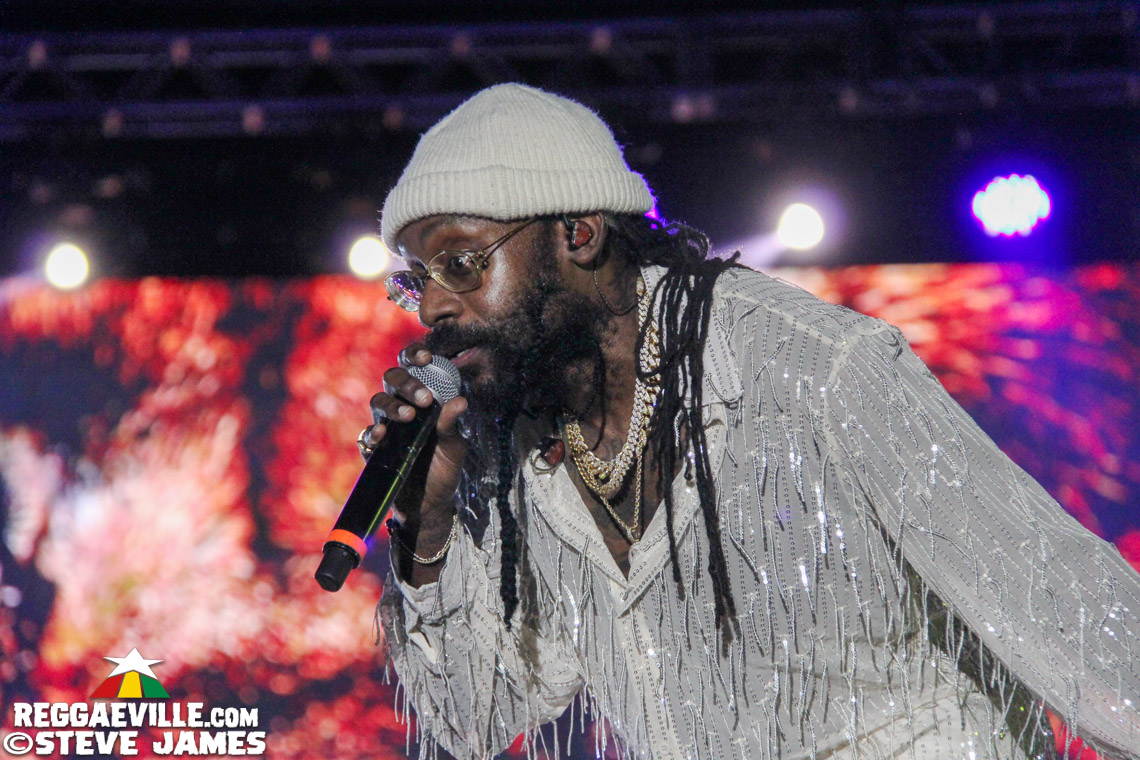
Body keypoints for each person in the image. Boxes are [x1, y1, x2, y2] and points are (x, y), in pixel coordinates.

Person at [361, 83, 1139, 760]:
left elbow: (1067, 609)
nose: (431, 307)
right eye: (414, 281)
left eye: (462, 263)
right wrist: (427, 528)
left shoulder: (814, 370)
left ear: (579, 234)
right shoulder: (525, 451)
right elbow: (476, 717)